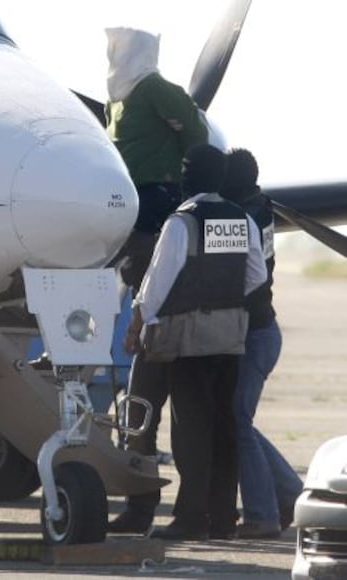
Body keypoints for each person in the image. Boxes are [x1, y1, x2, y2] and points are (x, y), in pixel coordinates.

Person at [122, 144, 267, 541]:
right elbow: (255, 277)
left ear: (192, 176)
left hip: (187, 339)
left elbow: (156, 284)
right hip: (230, 337)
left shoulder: (181, 223)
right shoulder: (241, 220)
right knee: (222, 428)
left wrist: (138, 323)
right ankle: (222, 519)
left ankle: (189, 518)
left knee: (190, 431)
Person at [105, 26, 208, 534]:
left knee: (175, 412)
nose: (113, 53)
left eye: (120, 46)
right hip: (127, 207)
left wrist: (188, 176)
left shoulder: (154, 87)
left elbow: (195, 129)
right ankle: (148, 506)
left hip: (155, 201)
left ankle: (192, 512)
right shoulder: (118, 100)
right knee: (148, 411)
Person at [221, 148, 303, 539]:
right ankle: (289, 494)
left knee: (238, 420)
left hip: (253, 334)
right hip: (262, 330)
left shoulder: (241, 217)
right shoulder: (260, 207)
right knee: (240, 421)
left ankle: (262, 515)